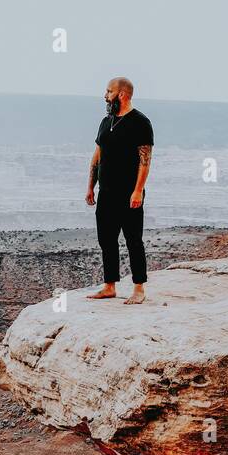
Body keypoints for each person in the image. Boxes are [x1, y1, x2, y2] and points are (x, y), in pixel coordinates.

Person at [85, 77, 153, 304]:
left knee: (134, 240)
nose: (105, 95)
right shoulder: (107, 121)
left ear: (121, 94)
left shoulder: (140, 122)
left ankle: (139, 289)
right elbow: (97, 155)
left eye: (109, 91)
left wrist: (138, 191)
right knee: (107, 240)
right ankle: (109, 286)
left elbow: (145, 161)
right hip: (106, 193)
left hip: (129, 193)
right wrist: (90, 186)